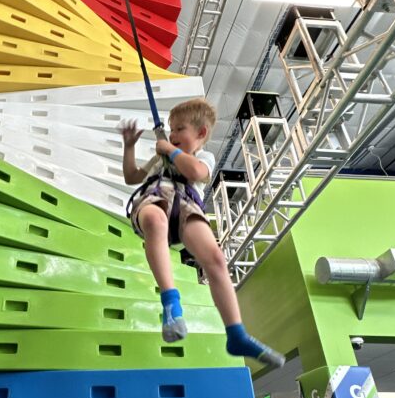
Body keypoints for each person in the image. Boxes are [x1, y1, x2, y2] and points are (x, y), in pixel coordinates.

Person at [120, 97, 284, 367]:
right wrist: (129, 148)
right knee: (155, 221)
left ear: (201, 133)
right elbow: (132, 177)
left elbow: (195, 171)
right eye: (170, 129)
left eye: (179, 129)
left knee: (216, 259)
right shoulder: (159, 159)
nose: (172, 135)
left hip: (186, 205)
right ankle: (171, 305)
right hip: (156, 198)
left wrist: (170, 151)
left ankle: (236, 333)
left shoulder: (202, 157)